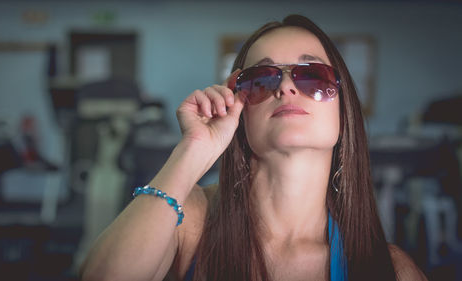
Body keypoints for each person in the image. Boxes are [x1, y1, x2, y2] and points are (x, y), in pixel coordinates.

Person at [80, 14, 427, 281]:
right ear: (239, 111)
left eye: (313, 75)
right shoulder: (191, 220)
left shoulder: (389, 270)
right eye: (261, 80)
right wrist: (194, 149)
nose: (287, 88)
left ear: (344, 107)